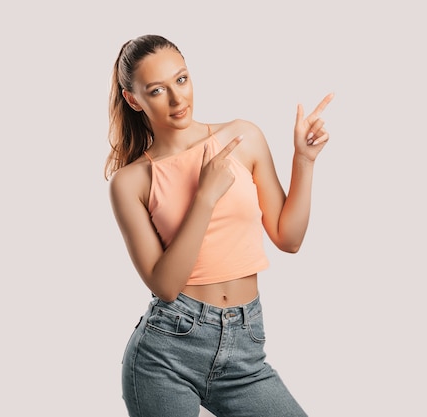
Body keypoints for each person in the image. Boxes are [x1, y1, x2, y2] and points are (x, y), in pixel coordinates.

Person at [105, 34, 333, 417]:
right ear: (133, 99)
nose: (178, 100)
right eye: (157, 90)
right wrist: (205, 197)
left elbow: (289, 238)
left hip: (245, 346)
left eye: (181, 80)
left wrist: (304, 160)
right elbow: (164, 284)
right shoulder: (131, 182)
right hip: (166, 353)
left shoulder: (242, 137)